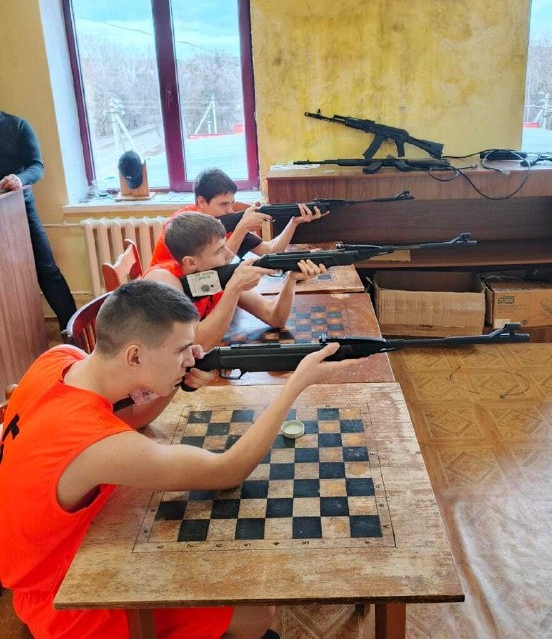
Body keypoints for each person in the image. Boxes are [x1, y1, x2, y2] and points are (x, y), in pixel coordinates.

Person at [0, 280, 357, 638]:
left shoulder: (60, 358)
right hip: (64, 596)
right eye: (182, 350)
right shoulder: (97, 446)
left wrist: (177, 380)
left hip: (47, 557)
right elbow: (228, 470)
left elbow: (133, 419)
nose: (192, 357)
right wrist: (296, 385)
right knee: (257, 612)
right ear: (134, 356)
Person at [145, 211, 325, 351]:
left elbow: (274, 317)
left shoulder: (213, 275)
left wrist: (291, 278)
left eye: (225, 245)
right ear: (190, 262)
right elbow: (197, 343)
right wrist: (234, 288)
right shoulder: (162, 281)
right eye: (219, 251)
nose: (230, 254)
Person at [150, 168, 326, 266]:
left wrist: (293, 222)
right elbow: (218, 266)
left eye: (232, 203)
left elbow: (270, 250)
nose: (230, 210)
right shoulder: (183, 224)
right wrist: (242, 228)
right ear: (201, 202)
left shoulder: (225, 221)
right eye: (223, 204)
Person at [0, 111, 76, 330]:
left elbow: (37, 166)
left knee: (48, 272)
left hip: (22, 211)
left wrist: (19, 179)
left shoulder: (18, 126)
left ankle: (74, 333)